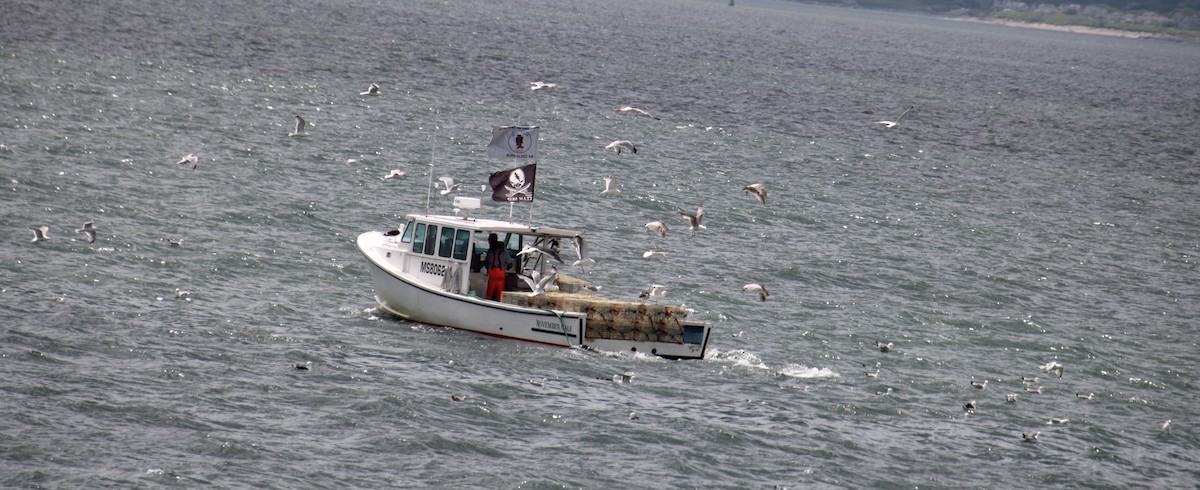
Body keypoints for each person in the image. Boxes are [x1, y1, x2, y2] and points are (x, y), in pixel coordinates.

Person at [484, 233, 511, 301]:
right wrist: (506, 268)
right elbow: (510, 264)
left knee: (489, 292)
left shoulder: (490, 252)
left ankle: (487, 302)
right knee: (500, 292)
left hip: (492, 272)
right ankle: (499, 303)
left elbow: (486, 263)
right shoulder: (504, 252)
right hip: (501, 273)